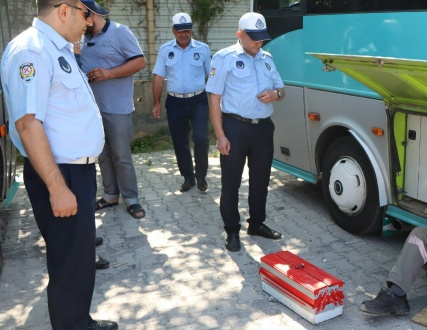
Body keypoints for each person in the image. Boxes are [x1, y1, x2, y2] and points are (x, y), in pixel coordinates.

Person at [1, 1, 118, 329]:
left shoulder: (57, 48)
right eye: (87, 13)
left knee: (77, 262)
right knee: (70, 264)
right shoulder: (33, 51)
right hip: (60, 174)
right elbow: (27, 125)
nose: (91, 22)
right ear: (64, 10)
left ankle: (79, 321)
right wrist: (57, 187)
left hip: (73, 172)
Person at [206, 12, 286, 252]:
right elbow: (214, 97)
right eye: (254, 38)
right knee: (231, 182)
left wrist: (275, 95)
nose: (259, 43)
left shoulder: (268, 58)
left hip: (263, 128)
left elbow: (282, 90)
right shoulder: (224, 58)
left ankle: (257, 223)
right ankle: (232, 230)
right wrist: (220, 135)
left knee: (261, 180)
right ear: (240, 35)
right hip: (235, 127)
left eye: (262, 38)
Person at [79, 3, 146, 219]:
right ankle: (110, 195)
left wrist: (108, 73)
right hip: (93, 110)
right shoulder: (83, 37)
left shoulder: (120, 32)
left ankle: (131, 199)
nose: (79, 22)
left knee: (121, 156)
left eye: (81, 16)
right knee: (103, 156)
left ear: (92, 15)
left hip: (117, 108)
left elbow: (139, 62)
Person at [151, 12, 211, 193]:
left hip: (198, 100)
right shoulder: (165, 50)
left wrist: (218, 101)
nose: (183, 34)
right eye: (179, 30)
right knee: (180, 142)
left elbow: (213, 76)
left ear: (191, 30)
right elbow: (159, 77)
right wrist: (156, 103)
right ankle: (188, 177)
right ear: (173, 30)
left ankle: (201, 176)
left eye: (186, 30)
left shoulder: (203, 49)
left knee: (201, 138)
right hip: (175, 103)